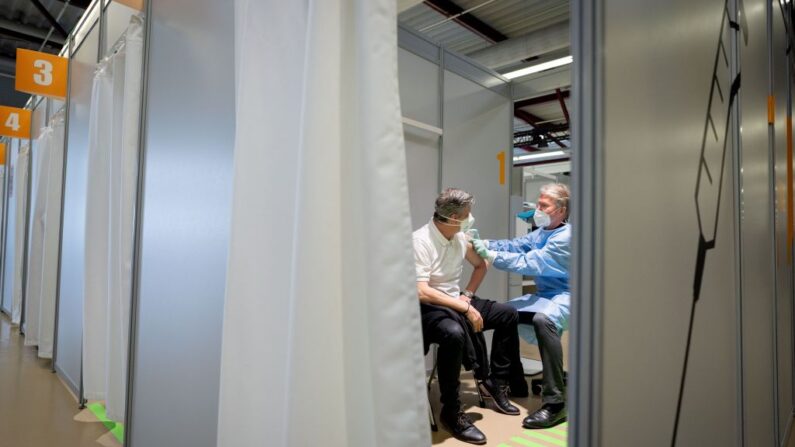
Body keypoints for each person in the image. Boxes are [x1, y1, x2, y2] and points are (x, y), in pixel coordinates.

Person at [414, 188, 525, 445]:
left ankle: (494, 383)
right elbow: (421, 291)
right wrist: (463, 307)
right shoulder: (420, 241)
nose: (470, 217)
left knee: (508, 314)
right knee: (453, 333)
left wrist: (467, 295)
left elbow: (481, 264)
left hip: (456, 300)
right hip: (428, 307)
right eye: (467, 214)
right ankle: (451, 411)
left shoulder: (460, 237)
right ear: (454, 217)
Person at [472, 183, 571, 429]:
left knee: (542, 320)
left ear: (560, 210)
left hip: (570, 295)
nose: (537, 208)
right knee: (505, 313)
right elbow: (515, 245)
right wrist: (483, 241)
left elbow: (531, 261)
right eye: (538, 203)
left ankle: (555, 403)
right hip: (546, 294)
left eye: (543, 205)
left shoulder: (567, 237)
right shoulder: (541, 232)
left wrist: (491, 256)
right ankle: (511, 381)